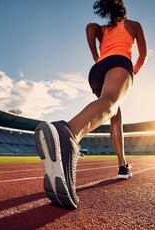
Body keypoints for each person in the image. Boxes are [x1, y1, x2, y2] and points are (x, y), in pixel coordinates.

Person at [35, 0, 147, 209]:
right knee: (111, 103)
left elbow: (89, 27)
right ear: (123, 10)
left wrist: (97, 56)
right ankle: (68, 134)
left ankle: (122, 165)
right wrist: (132, 71)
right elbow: (143, 55)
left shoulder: (104, 29)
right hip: (119, 64)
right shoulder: (132, 25)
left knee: (114, 113)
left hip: (98, 71)